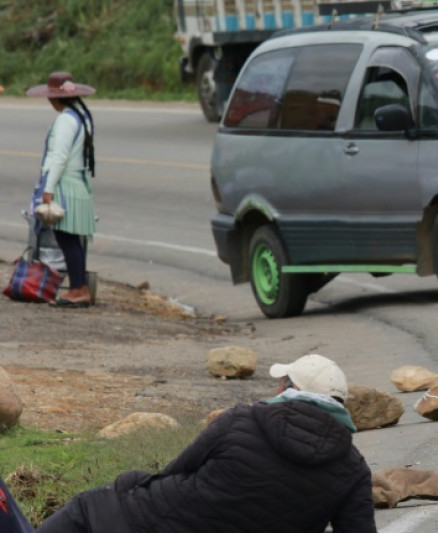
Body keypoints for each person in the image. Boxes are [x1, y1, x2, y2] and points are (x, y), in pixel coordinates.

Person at [37, 353, 377, 533]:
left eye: (282, 383)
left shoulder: (241, 420)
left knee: (88, 507)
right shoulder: (353, 470)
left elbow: (173, 472)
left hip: (146, 521)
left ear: (291, 390)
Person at [26, 72, 97, 308]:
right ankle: (80, 286)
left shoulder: (66, 119)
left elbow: (59, 157)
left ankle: (78, 289)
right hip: (79, 183)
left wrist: (48, 188)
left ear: (55, 99)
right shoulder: (82, 114)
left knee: (66, 239)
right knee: (73, 239)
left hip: (65, 184)